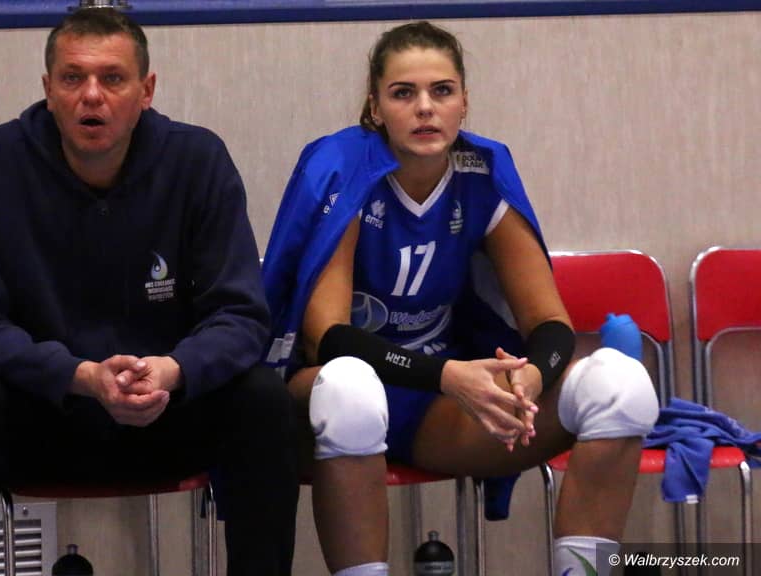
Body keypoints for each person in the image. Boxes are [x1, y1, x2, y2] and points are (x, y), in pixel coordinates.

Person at [262, 21, 659, 576]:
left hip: (435, 407)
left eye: (442, 91)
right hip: (328, 398)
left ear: (464, 103)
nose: (425, 108)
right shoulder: (345, 167)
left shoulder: (481, 171)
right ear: (375, 107)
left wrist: (531, 378)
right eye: (404, 93)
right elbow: (328, 338)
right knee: (352, 389)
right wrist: (449, 375)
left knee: (621, 386)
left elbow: (550, 323)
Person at [0, 8, 298, 576]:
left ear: (146, 90)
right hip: (44, 414)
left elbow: (242, 315)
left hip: (164, 411)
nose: (91, 96)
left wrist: (171, 371)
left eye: (113, 78)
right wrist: (80, 376)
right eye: (73, 78)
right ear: (48, 90)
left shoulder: (197, 160)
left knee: (263, 400)